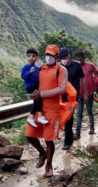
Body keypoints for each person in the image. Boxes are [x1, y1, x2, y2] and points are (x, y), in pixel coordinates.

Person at [25, 44, 68, 177]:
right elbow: (35, 84)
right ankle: (42, 153)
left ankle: (49, 165)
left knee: (49, 139)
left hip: (52, 110)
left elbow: (61, 89)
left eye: (51, 55)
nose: (48, 57)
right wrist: (33, 93)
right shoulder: (41, 68)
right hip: (39, 108)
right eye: (47, 54)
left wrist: (42, 94)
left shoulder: (61, 70)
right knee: (29, 135)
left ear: (57, 56)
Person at [59, 48, 87, 150]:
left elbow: (82, 80)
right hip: (62, 96)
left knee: (69, 117)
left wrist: (85, 94)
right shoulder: (59, 67)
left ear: (69, 55)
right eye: (62, 58)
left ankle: (67, 141)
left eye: (65, 57)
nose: (64, 59)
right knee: (66, 118)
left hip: (74, 96)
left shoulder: (77, 66)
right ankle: (68, 139)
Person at [74, 51, 98, 139]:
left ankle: (92, 128)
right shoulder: (76, 67)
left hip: (90, 93)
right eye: (78, 59)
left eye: (81, 59)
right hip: (79, 93)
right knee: (79, 112)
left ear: (84, 58)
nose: (80, 61)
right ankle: (77, 133)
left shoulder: (90, 65)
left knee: (89, 111)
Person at [21, 48, 49, 128]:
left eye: (33, 56)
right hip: (30, 86)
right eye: (29, 56)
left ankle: (32, 117)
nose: (31, 58)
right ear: (26, 57)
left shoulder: (37, 67)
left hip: (37, 86)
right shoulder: (26, 67)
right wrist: (30, 72)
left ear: (37, 57)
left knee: (37, 100)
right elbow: (23, 76)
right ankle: (39, 116)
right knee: (38, 99)